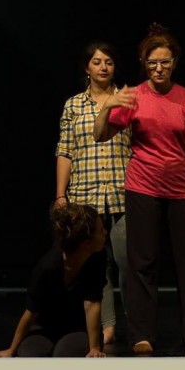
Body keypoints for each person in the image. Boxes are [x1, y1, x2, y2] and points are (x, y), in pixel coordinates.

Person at [93, 23, 185, 354]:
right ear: (144, 63)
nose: (159, 68)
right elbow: (100, 135)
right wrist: (107, 106)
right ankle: (141, 334)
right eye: (152, 63)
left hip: (181, 189)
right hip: (143, 186)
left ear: (174, 62)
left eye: (164, 62)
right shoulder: (134, 96)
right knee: (143, 263)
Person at [54, 41, 131, 345]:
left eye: (108, 62)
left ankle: (136, 323)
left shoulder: (127, 99)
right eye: (97, 62)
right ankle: (107, 326)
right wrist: (61, 195)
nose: (103, 67)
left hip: (122, 192)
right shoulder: (73, 105)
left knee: (127, 263)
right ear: (87, 67)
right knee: (98, 266)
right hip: (86, 196)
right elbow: (65, 151)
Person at [0, 203, 107, 358]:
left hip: (79, 328)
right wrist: (11, 350)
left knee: (65, 354)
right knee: (30, 354)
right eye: (101, 230)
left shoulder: (97, 257)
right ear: (86, 243)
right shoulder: (48, 267)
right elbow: (31, 311)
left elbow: (92, 303)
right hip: (46, 327)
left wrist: (94, 347)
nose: (105, 233)